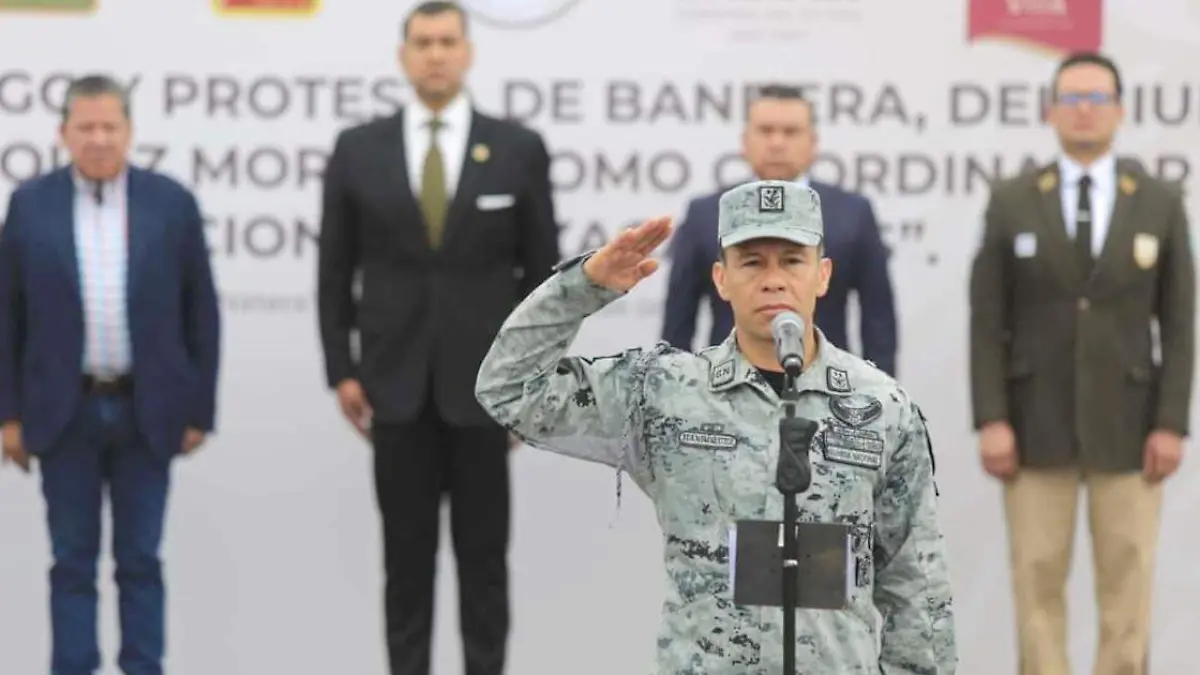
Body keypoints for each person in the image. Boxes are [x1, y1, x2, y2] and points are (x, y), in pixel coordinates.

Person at [476, 180, 957, 673]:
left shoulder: (882, 407)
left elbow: (916, 587)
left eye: (792, 260)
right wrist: (583, 286)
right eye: (752, 262)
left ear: (822, 275)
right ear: (721, 279)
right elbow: (508, 389)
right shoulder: (665, 393)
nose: (773, 280)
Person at [315, 2, 561, 674]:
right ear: (403, 56)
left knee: (484, 566)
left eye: (447, 41)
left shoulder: (516, 148)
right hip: (392, 389)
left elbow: (545, 281)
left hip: (485, 391)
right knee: (405, 565)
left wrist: (531, 380)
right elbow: (335, 269)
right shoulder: (358, 148)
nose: (435, 54)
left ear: (468, 52)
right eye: (422, 42)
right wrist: (342, 368)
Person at [969, 51, 1194, 675]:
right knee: (1036, 579)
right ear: (1051, 110)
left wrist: (1171, 422)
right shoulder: (1012, 200)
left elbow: (1178, 323)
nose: (1085, 111)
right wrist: (992, 418)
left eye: (1098, 99)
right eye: (1073, 98)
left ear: (1120, 110)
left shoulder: (1157, 199)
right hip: (1032, 425)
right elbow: (988, 321)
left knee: (1129, 582)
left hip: (1132, 428)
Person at [0, 74, 221, 675]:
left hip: (146, 412)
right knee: (71, 561)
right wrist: (8, 415)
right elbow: (8, 315)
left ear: (129, 132)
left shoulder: (170, 202)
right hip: (62, 413)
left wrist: (200, 411)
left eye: (109, 127)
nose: (98, 139)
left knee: (140, 562)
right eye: (85, 128)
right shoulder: (30, 204)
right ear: (63, 133)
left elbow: (200, 309)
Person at [661, 84, 897, 376]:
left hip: (829, 390)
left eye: (790, 132)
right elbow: (678, 323)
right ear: (744, 142)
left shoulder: (853, 213)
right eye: (766, 130)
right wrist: (674, 392)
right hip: (723, 390)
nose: (776, 143)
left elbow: (878, 321)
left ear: (813, 143)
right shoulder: (706, 213)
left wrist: (878, 395)